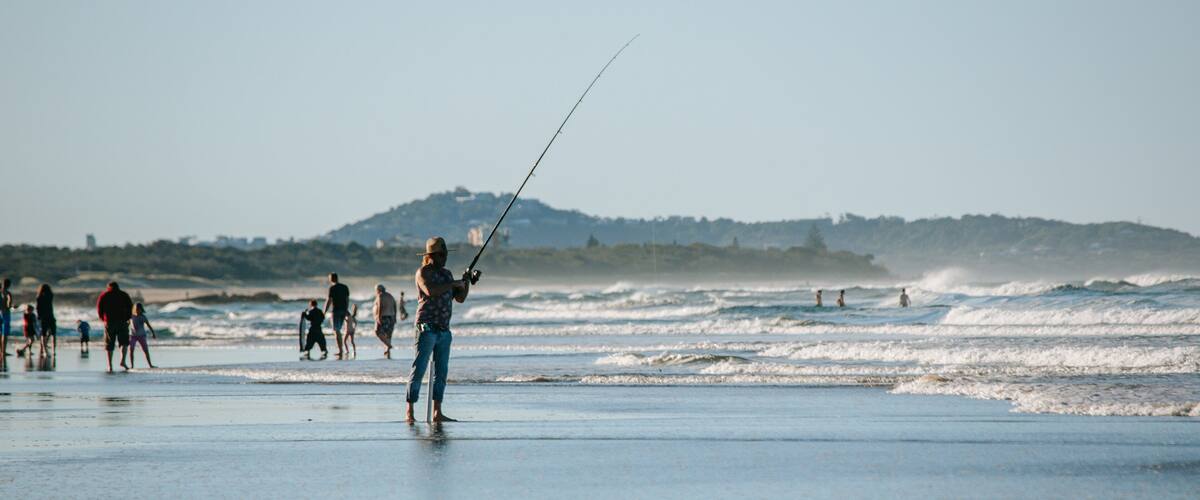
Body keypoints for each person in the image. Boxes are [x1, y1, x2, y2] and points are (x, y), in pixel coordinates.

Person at [405, 237, 471, 423]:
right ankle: (409, 411)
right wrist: (454, 284)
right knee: (419, 368)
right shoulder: (422, 272)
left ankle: (437, 412)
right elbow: (430, 291)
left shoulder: (447, 274)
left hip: (444, 330)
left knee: (441, 373)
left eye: (446, 254)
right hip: (426, 328)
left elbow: (460, 298)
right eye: (442, 254)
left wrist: (466, 282)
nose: (445, 257)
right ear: (432, 256)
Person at [96, 281, 134, 372]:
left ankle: (110, 365)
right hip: (122, 321)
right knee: (124, 342)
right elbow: (130, 307)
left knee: (109, 344)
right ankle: (123, 361)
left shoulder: (105, 295)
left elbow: (99, 308)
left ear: (108, 287)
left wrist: (103, 319)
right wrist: (128, 318)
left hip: (110, 322)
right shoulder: (124, 295)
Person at [323, 273, 351, 357]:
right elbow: (347, 299)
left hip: (336, 311)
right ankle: (341, 349)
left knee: (336, 330)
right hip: (343, 310)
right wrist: (346, 309)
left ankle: (340, 350)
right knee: (338, 330)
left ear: (331, 279)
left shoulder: (332, 288)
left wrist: (324, 311)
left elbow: (329, 300)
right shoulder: (344, 287)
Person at [128, 303, 157, 368]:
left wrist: (153, 333)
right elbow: (127, 325)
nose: (138, 310)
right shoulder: (131, 316)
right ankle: (132, 366)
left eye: (139, 309)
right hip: (132, 336)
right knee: (131, 350)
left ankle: (150, 365)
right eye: (137, 309)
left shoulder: (143, 317)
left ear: (141, 309)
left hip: (142, 335)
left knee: (146, 350)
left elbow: (148, 325)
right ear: (134, 309)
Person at [373, 284, 397, 357]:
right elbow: (395, 306)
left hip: (383, 316)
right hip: (391, 316)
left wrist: (378, 316)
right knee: (388, 334)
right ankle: (387, 350)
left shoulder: (380, 295)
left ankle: (388, 345)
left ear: (378, 290)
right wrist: (395, 317)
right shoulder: (390, 296)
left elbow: (380, 306)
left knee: (377, 331)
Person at [36, 284, 55, 353]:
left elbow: (38, 308)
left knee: (43, 333)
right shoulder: (50, 296)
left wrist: (38, 316)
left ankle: (43, 348)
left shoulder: (39, 297)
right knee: (52, 333)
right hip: (50, 316)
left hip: (43, 317)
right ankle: (50, 348)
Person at [1, 278, 13, 358]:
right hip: (5, 313)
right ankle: (3, 351)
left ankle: (0, 351)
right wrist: (12, 306)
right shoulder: (8, 293)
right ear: (9, 285)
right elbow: (8, 305)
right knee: (4, 334)